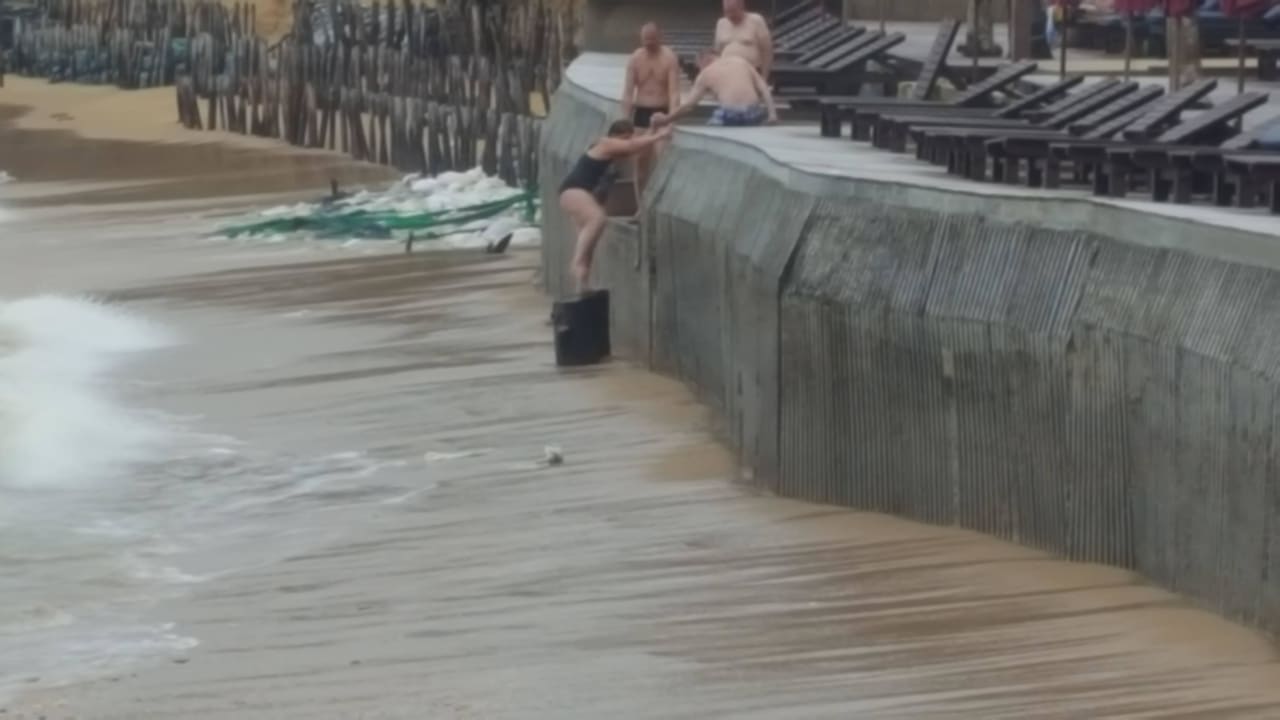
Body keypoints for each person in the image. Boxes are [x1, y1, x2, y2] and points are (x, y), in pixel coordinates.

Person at [558, 119, 672, 292]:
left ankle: (581, 289)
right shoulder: (605, 143)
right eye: (625, 138)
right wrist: (659, 136)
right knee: (597, 219)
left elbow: (637, 147)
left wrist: (652, 129)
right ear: (615, 136)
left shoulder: (615, 149)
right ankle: (577, 261)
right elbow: (632, 146)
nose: (627, 141)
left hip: (580, 194)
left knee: (589, 246)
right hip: (574, 191)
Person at [620, 22, 680, 210]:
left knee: (662, 158)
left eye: (652, 41)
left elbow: (674, 92)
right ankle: (641, 207)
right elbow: (628, 92)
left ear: (659, 38)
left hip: (661, 112)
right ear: (641, 40)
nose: (649, 45)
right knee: (640, 164)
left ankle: (663, 205)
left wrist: (672, 120)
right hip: (642, 113)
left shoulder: (669, 58)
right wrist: (624, 121)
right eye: (646, 41)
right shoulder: (635, 59)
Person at [653, 51, 778, 128]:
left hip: (731, 115)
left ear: (705, 60)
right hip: (754, 114)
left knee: (710, 124)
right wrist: (772, 114)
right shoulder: (741, 61)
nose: (699, 71)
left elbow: (689, 105)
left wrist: (666, 119)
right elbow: (763, 88)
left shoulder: (706, 73)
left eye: (698, 67)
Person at [714, 0, 773, 80]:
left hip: (752, 73)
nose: (730, 15)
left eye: (733, 11)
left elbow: (767, 51)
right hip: (726, 74)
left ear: (741, 7)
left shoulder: (756, 20)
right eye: (727, 12)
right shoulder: (721, 23)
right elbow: (717, 52)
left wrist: (764, 77)